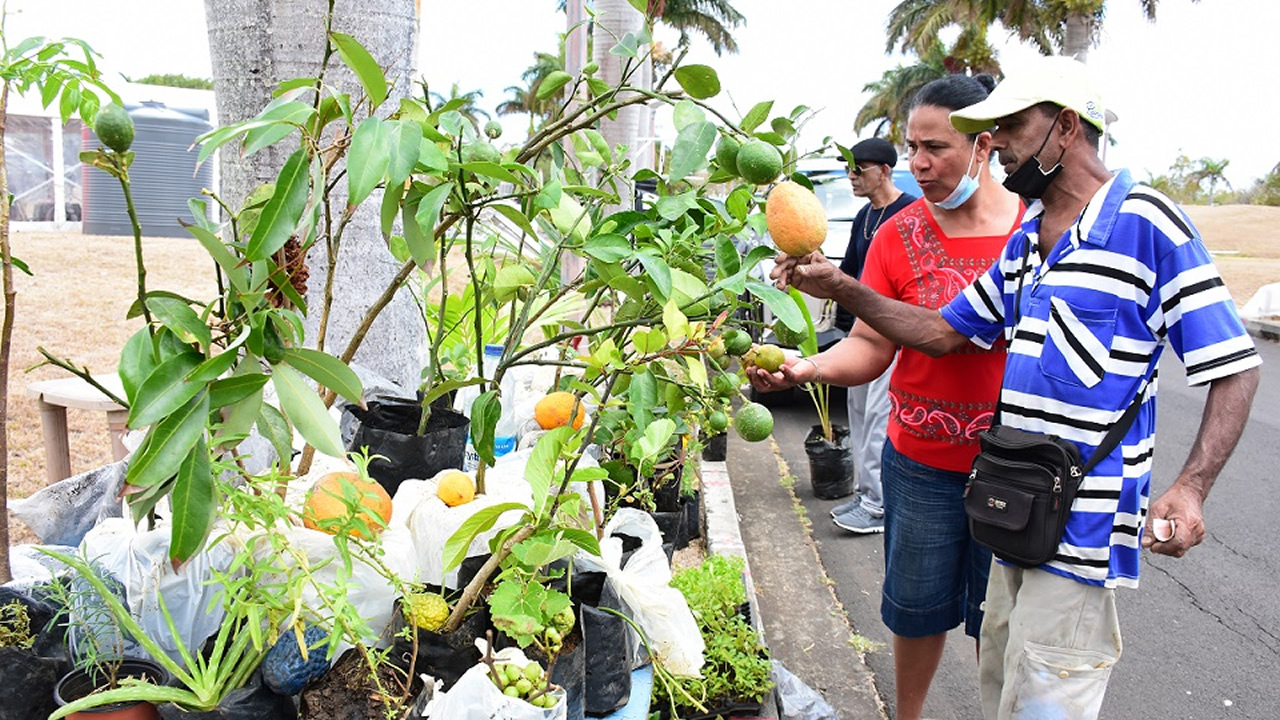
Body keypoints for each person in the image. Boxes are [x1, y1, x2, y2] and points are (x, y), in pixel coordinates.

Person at [769, 56, 1261, 720]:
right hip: (1015, 513)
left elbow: (1233, 363)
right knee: (1003, 686)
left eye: (1011, 127)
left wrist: (1192, 484)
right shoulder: (1029, 240)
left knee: (1044, 701)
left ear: (1064, 129)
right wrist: (843, 288)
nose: (995, 144)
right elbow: (945, 332)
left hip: (1080, 530)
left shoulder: (1148, 223)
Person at [749, 74, 1023, 720]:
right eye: (912, 147)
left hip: (1012, 471)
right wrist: (807, 365)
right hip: (922, 463)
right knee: (917, 611)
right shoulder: (898, 235)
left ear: (984, 147)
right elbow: (871, 345)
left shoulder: (1030, 232)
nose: (919, 163)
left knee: (1001, 626)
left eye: (936, 148)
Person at [829, 137, 917, 535]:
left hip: (892, 335)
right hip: (859, 335)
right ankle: (866, 495)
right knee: (859, 414)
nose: (851, 175)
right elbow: (849, 274)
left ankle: (879, 506)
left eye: (859, 168)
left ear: (885, 171)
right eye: (849, 167)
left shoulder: (911, 213)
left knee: (883, 417)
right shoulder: (865, 216)